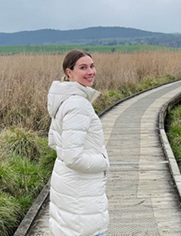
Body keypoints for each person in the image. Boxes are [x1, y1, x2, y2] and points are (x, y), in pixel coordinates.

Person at [47, 49, 110, 236]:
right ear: (69, 72)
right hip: (81, 195)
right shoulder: (77, 104)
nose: (90, 71)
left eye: (92, 66)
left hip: (69, 186)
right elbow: (73, 158)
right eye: (83, 67)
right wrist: (102, 161)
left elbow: (53, 141)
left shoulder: (63, 100)